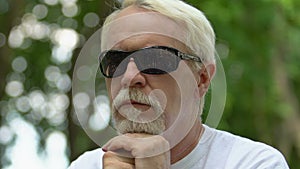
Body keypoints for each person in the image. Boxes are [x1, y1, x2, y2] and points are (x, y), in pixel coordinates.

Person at [68, 0, 289, 168]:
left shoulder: (253, 163)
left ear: (201, 79)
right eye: (115, 61)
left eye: (154, 59)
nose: (129, 77)